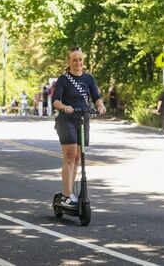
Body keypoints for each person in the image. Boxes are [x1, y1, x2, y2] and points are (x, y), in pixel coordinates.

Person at [52, 47, 106, 207]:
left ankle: (70, 193)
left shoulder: (89, 78)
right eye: (74, 60)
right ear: (69, 62)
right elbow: (55, 100)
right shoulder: (63, 79)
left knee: (78, 158)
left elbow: (96, 97)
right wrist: (64, 107)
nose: (78, 63)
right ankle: (66, 195)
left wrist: (101, 106)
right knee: (70, 155)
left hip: (83, 119)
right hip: (66, 120)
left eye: (80, 59)